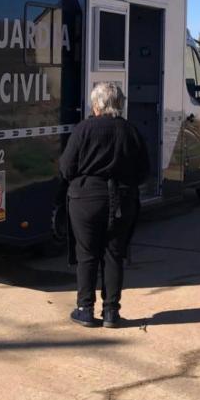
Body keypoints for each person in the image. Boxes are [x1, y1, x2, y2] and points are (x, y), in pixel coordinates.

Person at [59, 82, 149, 328]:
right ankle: (111, 312)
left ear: (96, 105)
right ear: (119, 104)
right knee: (114, 255)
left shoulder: (83, 130)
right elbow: (144, 171)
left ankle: (85, 309)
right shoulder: (131, 131)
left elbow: (66, 168)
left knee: (86, 254)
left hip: (86, 199)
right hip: (122, 199)